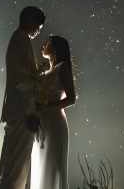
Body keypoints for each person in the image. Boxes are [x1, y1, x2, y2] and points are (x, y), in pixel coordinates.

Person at [0, 6, 46, 189]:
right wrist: (31, 112)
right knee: (17, 168)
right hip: (22, 112)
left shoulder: (16, 38)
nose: (39, 31)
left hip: (14, 110)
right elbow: (25, 77)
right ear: (30, 19)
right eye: (39, 26)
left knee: (9, 165)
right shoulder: (22, 40)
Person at [35, 35, 76, 189]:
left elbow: (71, 99)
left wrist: (47, 107)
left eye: (48, 42)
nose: (44, 44)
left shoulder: (62, 67)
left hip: (54, 122)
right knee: (41, 165)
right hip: (42, 123)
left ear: (57, 47)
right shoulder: (45, 72)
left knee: (53, 166)